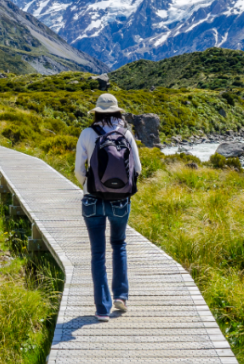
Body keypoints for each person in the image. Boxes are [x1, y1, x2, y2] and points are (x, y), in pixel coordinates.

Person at [74, 93, 142, 322]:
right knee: (119, 244)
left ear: (96, 112)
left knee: (98, 253)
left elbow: (78, 169)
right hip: (120, 202)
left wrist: (87, 186)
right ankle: (121, 296)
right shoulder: (127, 134)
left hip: (92, 200)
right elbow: (138, 169)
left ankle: (102, 309)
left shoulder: (87, 133)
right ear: (117, 112)